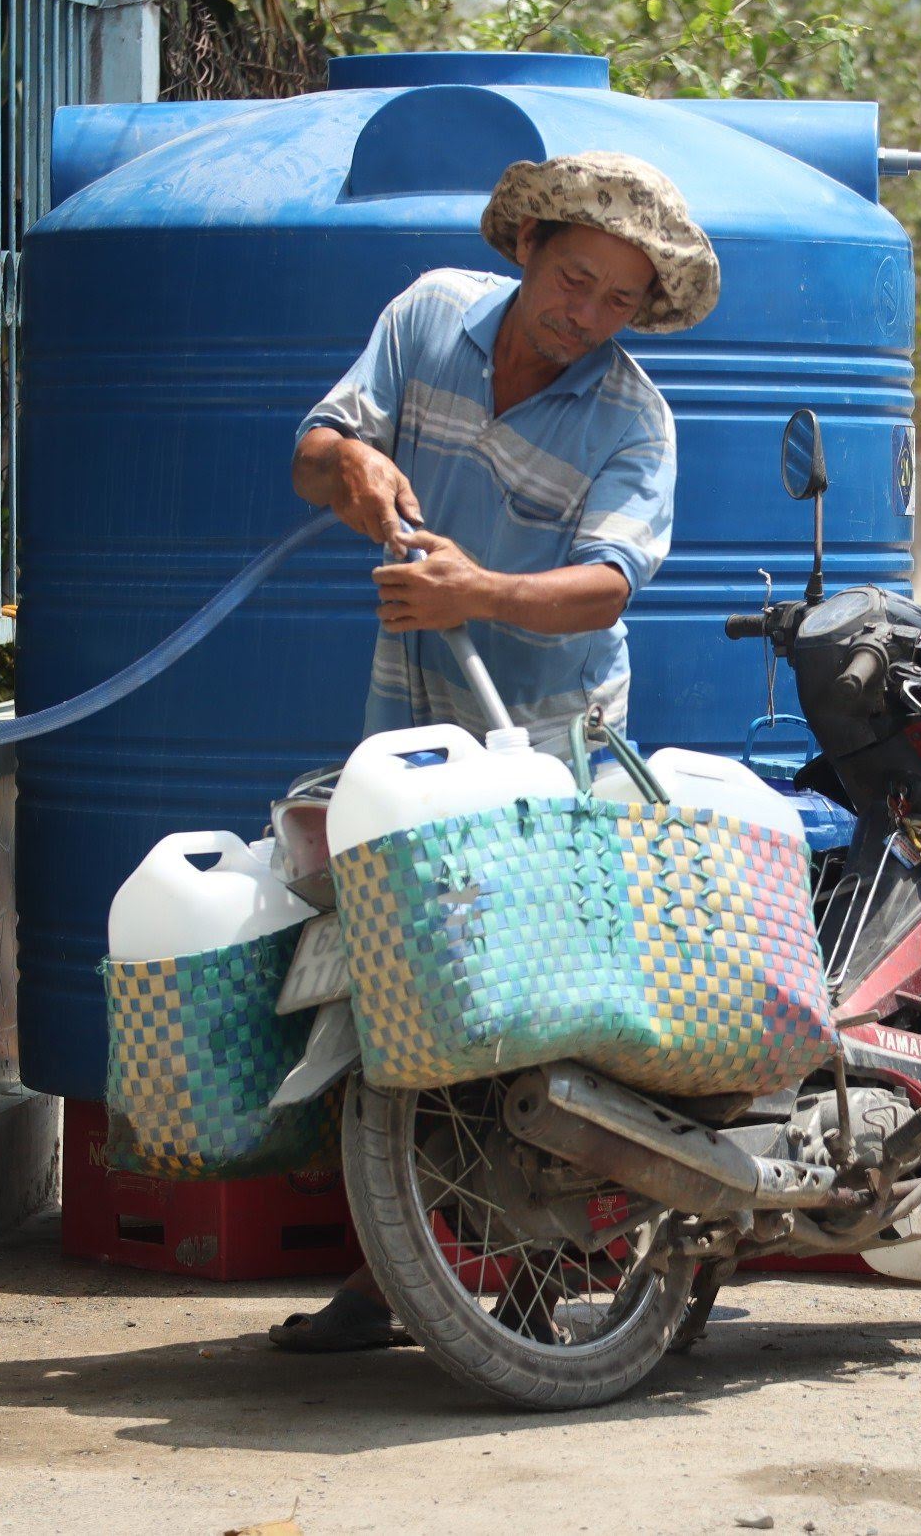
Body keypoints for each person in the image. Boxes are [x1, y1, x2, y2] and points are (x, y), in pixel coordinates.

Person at [272, 150, 718, 1350]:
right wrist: (350, 462)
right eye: (573, 281)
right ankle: (391, 1275)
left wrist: (476, 592)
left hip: (549, 753)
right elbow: (313, 455)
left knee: (537, 1019)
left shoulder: (632, 418)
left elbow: (606, 588)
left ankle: (537, 1283)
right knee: (399, 993)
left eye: (619, 301)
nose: (587, 316)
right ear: (526, 248)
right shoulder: (427, 319)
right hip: (407, 738)